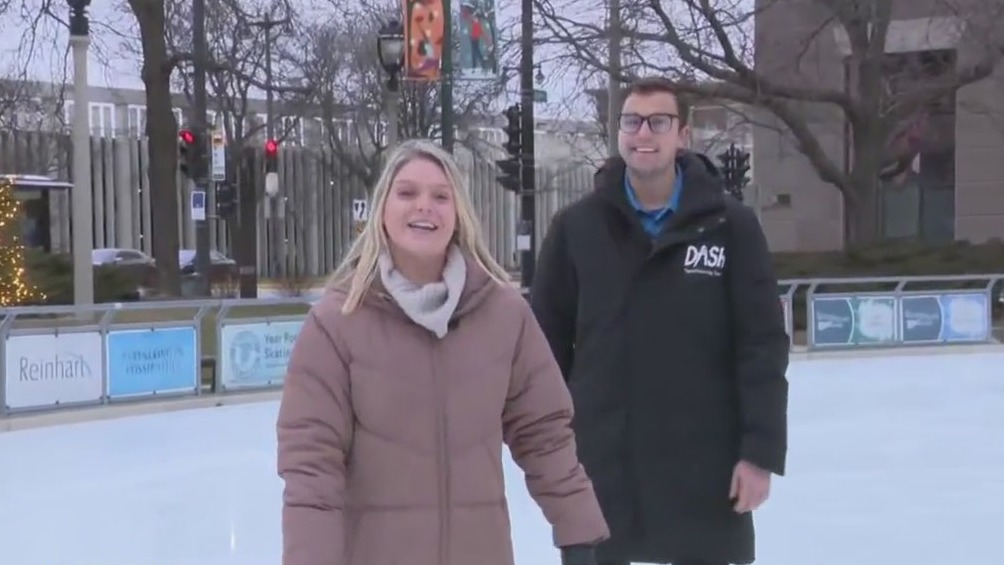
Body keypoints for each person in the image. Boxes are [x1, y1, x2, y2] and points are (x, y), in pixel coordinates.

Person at [275, 139, 610, 565]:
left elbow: (545, 436)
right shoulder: (336, 324)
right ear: (383, 209)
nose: (424, 207)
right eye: (407, 193)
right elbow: (311, 470)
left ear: (458, 214)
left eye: (440, 196)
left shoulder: (504, 316)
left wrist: (578, 532)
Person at [529, 77, 790, 565]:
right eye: (631, 121)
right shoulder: (575, 229)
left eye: (658, 122)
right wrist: (553, 454)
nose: (642, 133)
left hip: (704, 468)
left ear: (683, 135)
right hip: (603, 465)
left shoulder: (730, 227)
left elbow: (762, 346)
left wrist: (759, 454)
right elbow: (544, 351)